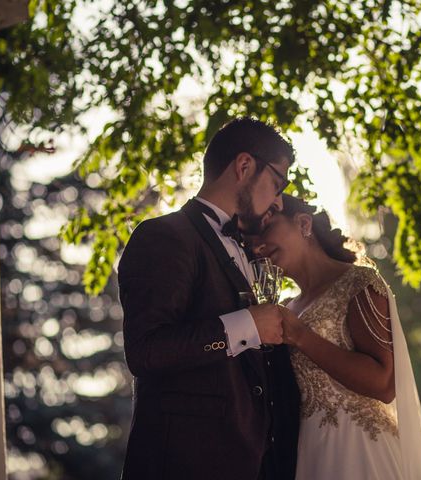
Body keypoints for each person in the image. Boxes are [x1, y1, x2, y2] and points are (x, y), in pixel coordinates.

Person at [117, 118, 300, 479]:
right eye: (277, 183)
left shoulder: (251, 251)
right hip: (184, 462)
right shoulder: (165, 236)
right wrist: (248, 325)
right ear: (244, 165)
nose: (278, 201)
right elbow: (146, 351)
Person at [251, 194, 421, 480]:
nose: (257, 245)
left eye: (265, 227)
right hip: (310, 456)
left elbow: (384, 383)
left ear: (303, 223)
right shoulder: (286, 308)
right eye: (251, 238)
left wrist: (302, 336)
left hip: (362, 452)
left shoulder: (358, 284)